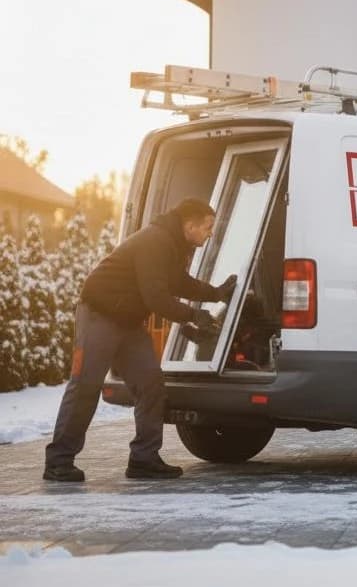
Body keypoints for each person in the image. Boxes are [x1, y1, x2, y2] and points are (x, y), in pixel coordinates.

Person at [43, 198, 237, 482]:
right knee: (85, 385)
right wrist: (194, 315)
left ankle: (144, 459)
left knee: (150, 384)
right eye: (207, 227)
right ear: (189, 224)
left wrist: (215, 294)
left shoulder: (173, 244)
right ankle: (58, 462)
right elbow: (156, 298)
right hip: (99, 314)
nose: (210, 234)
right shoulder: (155, 241)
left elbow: (179, 282)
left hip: (128, 320)